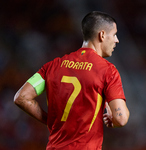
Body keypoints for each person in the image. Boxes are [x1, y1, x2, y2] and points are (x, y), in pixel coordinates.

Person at [14, 11, 130, 150]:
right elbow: (121, 118)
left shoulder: (52, 66)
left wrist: (50, 121)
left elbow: (21, 97)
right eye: (114, 34)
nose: (116, 40)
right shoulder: (108, 71)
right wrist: (114, 120)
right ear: (102, 35)